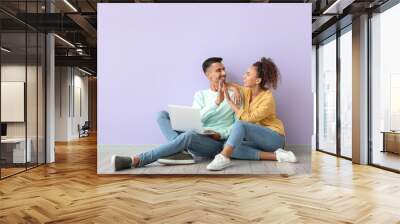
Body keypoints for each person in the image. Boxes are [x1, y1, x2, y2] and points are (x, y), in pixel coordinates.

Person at [111, 57, 240, 171]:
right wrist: (216, 104)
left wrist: (221, 134)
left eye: (224, 69)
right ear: (208, 75)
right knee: (162, 115)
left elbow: (238, 124)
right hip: (197, 134)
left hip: (215, 144)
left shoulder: (235, 95)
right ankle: (181, 152)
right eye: (219, 70)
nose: (223, 73)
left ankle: (137, 160)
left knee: (189, 134)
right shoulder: (201, 95)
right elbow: (196, 119)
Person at [206, 57, 297, 171]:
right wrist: (234, 88)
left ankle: (223, 158)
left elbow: (248, 119)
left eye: (248, 74)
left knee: (240, 124)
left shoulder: (267, 98)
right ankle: (279, 156)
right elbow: (228, 84)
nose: (244, 76)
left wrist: (230, 102)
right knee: (229, 147)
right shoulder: (247, 91)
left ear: (258, 80)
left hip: (274, 139)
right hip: (258, 141)